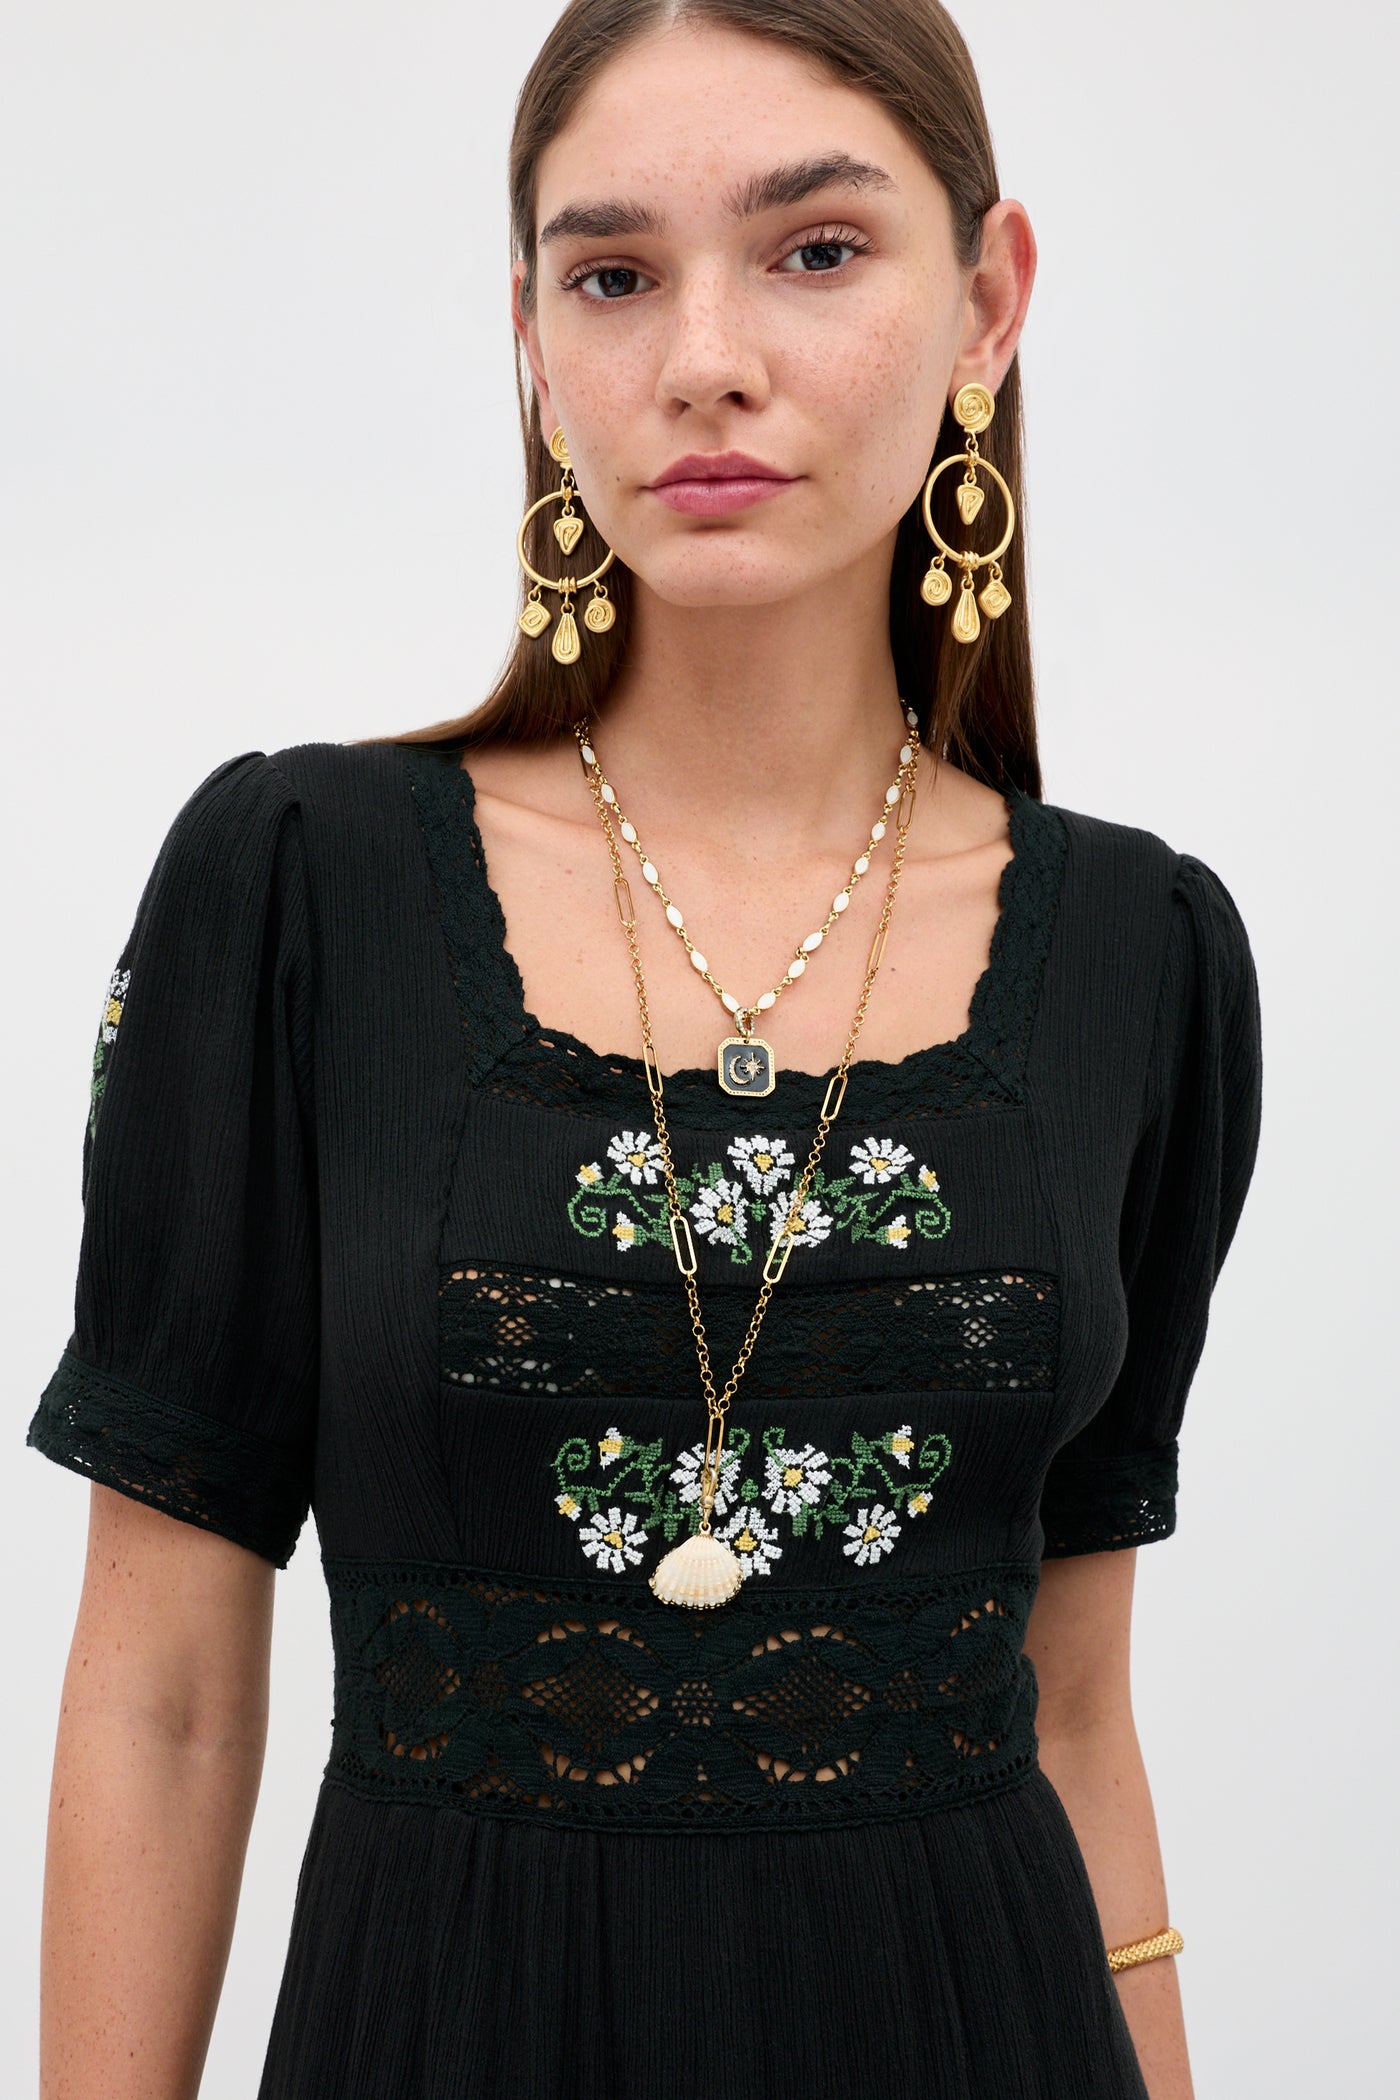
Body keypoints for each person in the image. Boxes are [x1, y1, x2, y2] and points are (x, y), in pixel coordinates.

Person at [26, 3, 1263, 2095]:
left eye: (813, 250)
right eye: (611, 275)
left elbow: (1069, 1704)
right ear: (530, 337)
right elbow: (160, 1684)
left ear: (987, 301)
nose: (702, 355)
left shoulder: (1142, 952)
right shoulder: (299, 881)